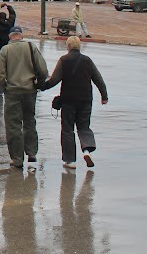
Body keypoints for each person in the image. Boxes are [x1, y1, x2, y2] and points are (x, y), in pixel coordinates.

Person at [40, 36, 109, 169]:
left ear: (68, 47)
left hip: (68, 100)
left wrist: (41, 87)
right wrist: (104, 96)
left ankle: (70, 160)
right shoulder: (87, 60)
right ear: (79, 46)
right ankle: (86, 151)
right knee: (83, 127)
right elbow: (98, 79)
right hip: (85, 100)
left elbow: (54, 79)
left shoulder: (64, 60)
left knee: (67, 129)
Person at [0, 26, 48, 169]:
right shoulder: (31, 47)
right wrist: (39, 84)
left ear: (10, 36)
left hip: (12, 92)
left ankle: (17, 159)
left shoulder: (5, 50)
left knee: (14, 125)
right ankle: (32, 153)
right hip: (30, 91)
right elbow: (43, 70)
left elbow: (0, 74)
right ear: (21, 36)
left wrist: (3, 88)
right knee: (30, 121)